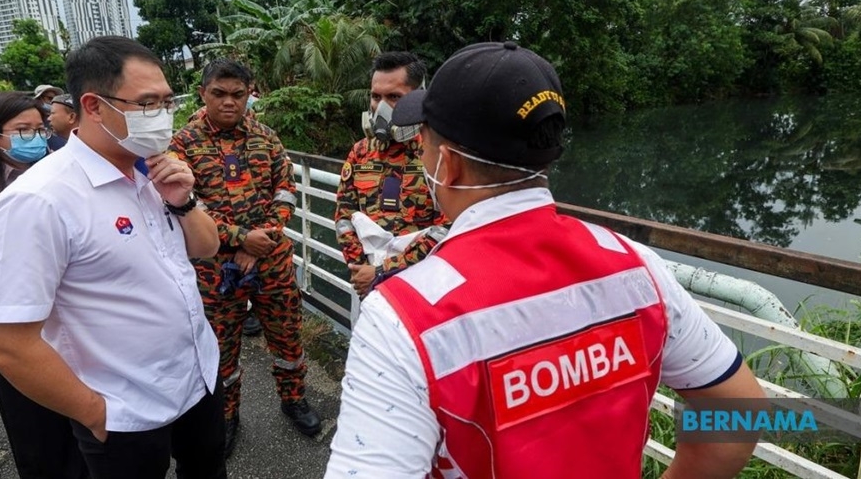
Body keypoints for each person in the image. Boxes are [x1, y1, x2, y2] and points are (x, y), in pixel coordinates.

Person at [325, 42, 766, 479]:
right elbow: (742, 409)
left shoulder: (404, 318)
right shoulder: (637, 267)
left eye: (424, 144)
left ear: (447, 163)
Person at [0, 36, 226, 479]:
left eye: (168, 101)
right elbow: (4, 343)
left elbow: (207, 249)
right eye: (148, 103)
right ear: (93, 106)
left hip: (197, 378)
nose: (164, 116)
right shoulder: (39, 201)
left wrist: (184, 202)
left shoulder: (151, 167)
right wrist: (94, 412)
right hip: (123, 411)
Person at [169, 58, 321, 458]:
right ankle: (227, 415)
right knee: (221, 349)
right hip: (215, 267)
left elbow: (285, 190)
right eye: (219, 94)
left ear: (250, 94)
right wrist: (238, 240)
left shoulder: (266, 137)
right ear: (203, 93)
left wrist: (264, 239)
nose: (229, 103)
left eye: (238, 94)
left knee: (287, 335)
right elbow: (184, 204)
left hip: (271, 260)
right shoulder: (182, 144)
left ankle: (294, 399)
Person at [0, 92, 87, 478]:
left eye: (40, 128)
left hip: (71, 311)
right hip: (14, 323)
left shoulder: (58, 172)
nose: (35, 137)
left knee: (82, 411)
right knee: (37, 427)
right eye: (22, 130)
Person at [334, 52, 447, 298]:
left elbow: (448, 227)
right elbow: (344, 216)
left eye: (394, 97)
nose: (380, 106)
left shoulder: (438, 153)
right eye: (376, 97)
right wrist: (362, 269)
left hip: (422, 287)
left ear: (418, 98)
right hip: (369, 286)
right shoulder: (360, 152)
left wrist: (384, 271)